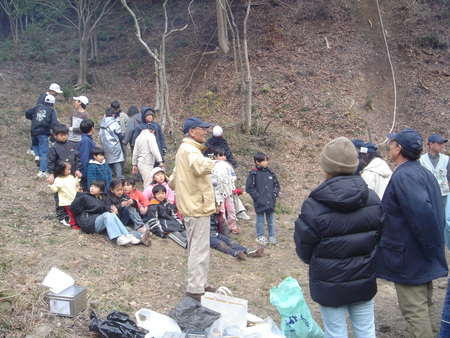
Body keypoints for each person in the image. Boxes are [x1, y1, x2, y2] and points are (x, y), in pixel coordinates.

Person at [294, 136, 383, 338]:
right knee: (366, 331)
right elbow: (379, 237)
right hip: (363, 275)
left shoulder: (313, 206)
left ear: (325, 167)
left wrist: (318, 261)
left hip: (328, 280)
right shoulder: (372, 199)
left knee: (335, 333)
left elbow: (304, 246)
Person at [377, 128, 448, 338]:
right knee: (424, 306)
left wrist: (429, 249)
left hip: (412, 257)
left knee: (415, 310)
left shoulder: (405, 176)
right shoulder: (423, 172)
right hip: (421, 253)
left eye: (392, 144)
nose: (390, 147)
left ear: (399, 149)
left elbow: (422, 214)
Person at [169, 116, 217, 301]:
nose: (205, 132)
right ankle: (195, 289)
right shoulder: (190, 151)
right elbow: (200, 166)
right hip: (196, 207)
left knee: (199, 247)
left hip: (192, 205)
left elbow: (173, 180)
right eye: (202, 129)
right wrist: (218, 165)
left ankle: (201, 284)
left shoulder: (185, 150)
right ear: (191, 131)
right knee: (199, 249)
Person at [70, 179, 142, 246]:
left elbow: (108, 208)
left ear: (100, 191)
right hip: (88, 222)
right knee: (108, 215)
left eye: (95, 187)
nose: (92, 188)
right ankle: (117, 237)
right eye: (91, 186)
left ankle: (129, 235)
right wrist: (78, 195)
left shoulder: (102, 198)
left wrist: (118, 210)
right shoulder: (84, 196)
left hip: (98, 221)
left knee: (112, 217)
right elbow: (73, 209)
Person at [245, 152, 280, 246]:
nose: (266, 162)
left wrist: (275, 194)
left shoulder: (270, 172)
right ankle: (260, 236)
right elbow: (249, 188)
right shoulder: (253, 173)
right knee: (260, 220)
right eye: (264, 161)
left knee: (271, 220)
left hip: (270, 201)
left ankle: (272, 236)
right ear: (257, 162)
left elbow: (276, 184)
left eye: (266, 160)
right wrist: (257, 197)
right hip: (260, 202)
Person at [105, 179, 152, 246]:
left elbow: (134, 204)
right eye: (117, 190)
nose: (120, 192)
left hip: (125, 218)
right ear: (112, 190)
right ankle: (141, 237)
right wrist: (119, 207)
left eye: (121, 190)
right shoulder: (109, 198)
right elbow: (108, 210)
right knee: (126, 229)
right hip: (117, 219)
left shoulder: (124, 196)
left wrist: (133, 202)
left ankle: (140, 226)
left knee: (130, 207)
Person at [26, 94, 60, 178]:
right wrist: (54, 130)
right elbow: (54, 123)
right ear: (53, 103)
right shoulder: (52, 110)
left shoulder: (38, 106)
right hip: (43, 132)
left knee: (35, 145)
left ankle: (37, 156)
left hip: (33, 131)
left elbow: (27, 113)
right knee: (45, 152)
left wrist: (33, 119)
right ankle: (43, 171)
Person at [27, 83, 63, 158]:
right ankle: (33, 149)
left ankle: (38, 150)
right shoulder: (43, 97)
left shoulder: (48, 98)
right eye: (56, 92)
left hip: (43, 121)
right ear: (52, 91)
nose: (56, 94)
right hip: (40, 121)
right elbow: (38, 109)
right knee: (40, 135)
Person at [210, 148, 239, 234]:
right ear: (215, 157)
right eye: (220, 155)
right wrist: (218, 182)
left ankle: (233, 226)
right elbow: (211, 178)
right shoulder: (212, 166)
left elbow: (233, 176)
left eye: (224, 155)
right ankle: (224, 227)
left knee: (231, 209)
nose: (223, 157)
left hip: (228, 191)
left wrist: (229, 180)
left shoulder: (228, 166)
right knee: (221, 210)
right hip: (218, 192)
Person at [48, 160, 81, 229]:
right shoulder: (58, 180)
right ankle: (73, 224)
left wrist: (77, 179)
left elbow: (75, 183)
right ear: (62, 170)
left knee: (76, 211)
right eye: (68, 169)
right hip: (66, 201)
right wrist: (51, 184)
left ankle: (78, 222)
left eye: (70, 169)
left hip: (74, 198)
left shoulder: (71, 177)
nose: (69, 171)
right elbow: (55, 189)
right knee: (71, 213)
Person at [419, 133, 449, 205]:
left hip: (443, 194)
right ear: (431, 145)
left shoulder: (446, 159)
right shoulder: (421, 160)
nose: (441, 146)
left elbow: (449, 176)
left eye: (442, 144)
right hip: (427, 194)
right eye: (439, 143)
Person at [132, 122, 163, 188]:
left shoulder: (139, 137)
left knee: (147, 182)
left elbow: (135, 153)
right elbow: (154, 150)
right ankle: (146, 198)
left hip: (140, 162)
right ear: (153, 130)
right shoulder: (150, 136)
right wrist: (160, 162)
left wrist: (134, 164)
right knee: (148, 184)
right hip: (147, 162)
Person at [99, 108, 125, 180]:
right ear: (113, 115)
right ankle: (119, 176)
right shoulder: (114, 123)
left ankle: (110, 175)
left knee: (109, 161)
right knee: (118, 161)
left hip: (106, 145)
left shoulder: (102, 124)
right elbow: (119, 133)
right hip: (114, 145)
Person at [77, 119, 96, 191]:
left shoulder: (86, 139)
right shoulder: (86, 141)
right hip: (86, 173)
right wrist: (85, 173)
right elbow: (84, 157)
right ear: (92, 128)